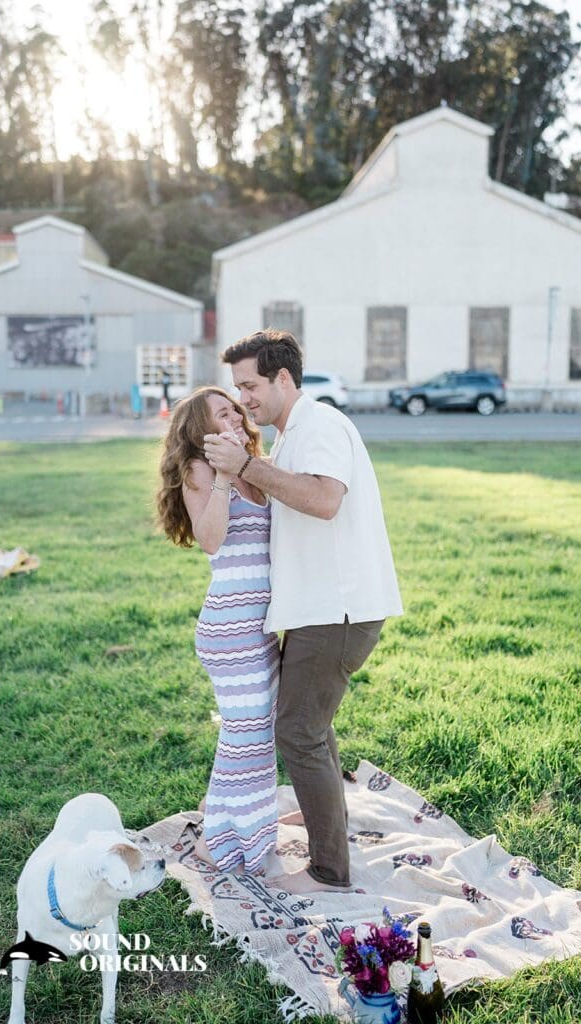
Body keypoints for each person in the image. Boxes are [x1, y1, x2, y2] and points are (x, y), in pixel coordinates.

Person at [204, 330, 402, 894]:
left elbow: (322, 499)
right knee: (310, 728)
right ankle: (329, 842)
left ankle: (328, 872)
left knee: (298, 730)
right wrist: (237, 469)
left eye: (251, 386)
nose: (244, 398)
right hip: (318, 610)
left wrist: (246, 463)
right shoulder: (291, 434)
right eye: (238, 387)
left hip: (338, 610)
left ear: (284, 378)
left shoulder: (320, 425)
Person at [157, 386, 279, 874]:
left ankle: (247, 830)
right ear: (200, 432)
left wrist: (244, 468)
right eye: (221, 413)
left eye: (234, 408)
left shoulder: (254, 465)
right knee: (243, 735)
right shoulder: (199, 470)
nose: (235, 415)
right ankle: (219, 841)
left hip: (263, 627)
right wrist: (227, 476)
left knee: (259, 732)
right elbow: (210, 540)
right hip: (230, 629)